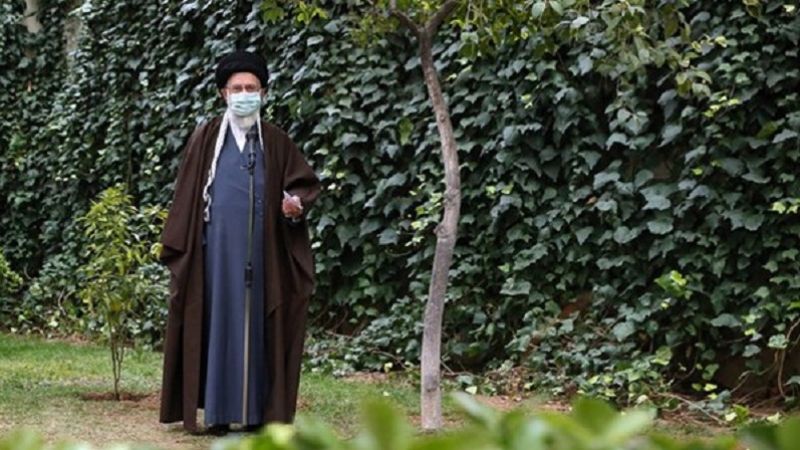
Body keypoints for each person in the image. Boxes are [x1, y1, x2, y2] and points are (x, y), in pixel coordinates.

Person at [158, 50, 321, 434]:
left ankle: (255, 415)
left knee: (259, 327)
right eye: (237, 88)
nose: (245, 94)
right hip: (214, 255)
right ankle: (217, 413)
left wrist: (295, 207)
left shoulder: (275, 141)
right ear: (223, 93)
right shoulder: (206, 139)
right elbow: (186, 196)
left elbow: (301, 186)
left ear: (263, 93)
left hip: (264, 255)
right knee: (216, 324)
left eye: (252, 88)